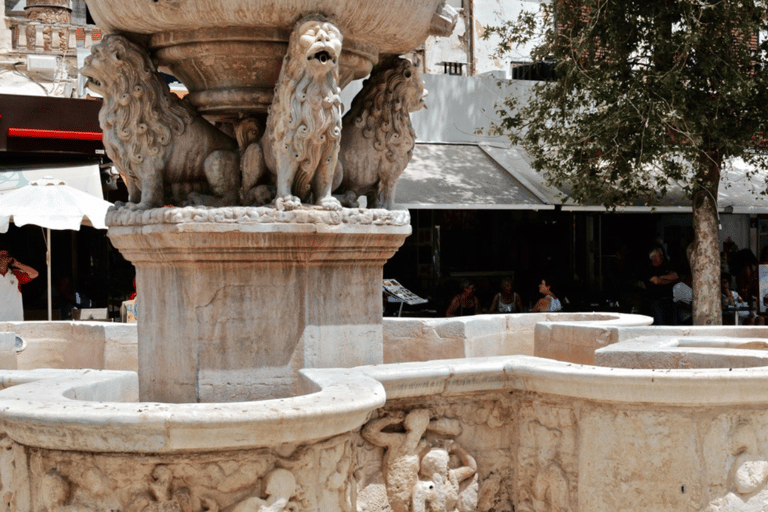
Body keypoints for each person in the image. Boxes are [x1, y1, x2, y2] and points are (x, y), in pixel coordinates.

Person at [0, 247, 38, 322]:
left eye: (3, 256)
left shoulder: (16, 275)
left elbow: (34, 274)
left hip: (15, 321)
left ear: (9, 259)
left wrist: (17, 264)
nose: (0, 259)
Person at [644, 247, 679, 325]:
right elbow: (656, 281)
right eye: (660, 255)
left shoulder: (666, 266)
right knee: (662, 325)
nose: (662, 257)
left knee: (673, 325)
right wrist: (670, 280)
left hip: (670, 300)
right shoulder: (649, 269)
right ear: (653, 257)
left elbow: (676, 276)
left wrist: (661, 277)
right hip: (657, 302)